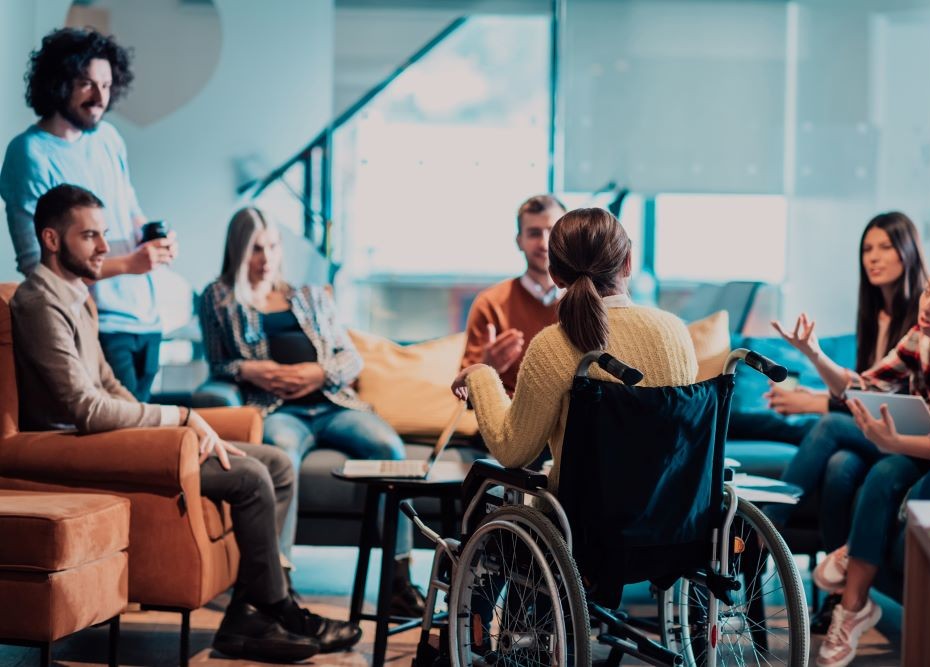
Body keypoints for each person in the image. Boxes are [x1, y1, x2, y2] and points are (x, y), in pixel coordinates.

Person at [11, 184, 361, 662]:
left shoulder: (78, 295)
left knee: (277, 464)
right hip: (69, 445)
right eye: (89, 236)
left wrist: (165, 432)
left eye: (104, 235)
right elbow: (83, 409)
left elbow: (111, 387)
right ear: (51, 240)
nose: (103, 248)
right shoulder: (39, 301)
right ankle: (277, 609)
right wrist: (179, 417)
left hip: (99, 436)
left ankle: (248, 617)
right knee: (252, 475)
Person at [199, 206, 425, 617]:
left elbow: (350, 357)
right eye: (254, 249)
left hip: (332, 403)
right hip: (276, 408)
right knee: (281, 456)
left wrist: (319, 373)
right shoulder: (219, 298)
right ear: (237, 251)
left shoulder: (306, 295)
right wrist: (253, 370)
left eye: (271, 247)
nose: (265, 258)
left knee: (388, 448)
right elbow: (218, 364)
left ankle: (398, 579)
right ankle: (278, 582)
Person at [782, 258, 930, 667]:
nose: (929, 305)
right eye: (929, 292)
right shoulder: (926, 337)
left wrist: (898, 441)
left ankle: (840, 555)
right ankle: (852, 608)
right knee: (878, 465)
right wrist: (814, 354)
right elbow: (865, 385)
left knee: (894, 462)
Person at [451, 207, 698, 492]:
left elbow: (512, 451)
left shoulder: (554, 345)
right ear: (628, 262)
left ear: (555, 276)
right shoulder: (675, 332)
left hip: (584, 518)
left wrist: (481, 373)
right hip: (672, 511)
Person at [0, 27, 177, 401]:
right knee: (130, 445)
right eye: (86, 84)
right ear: (58, 83)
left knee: (145, 442)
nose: (100, 97)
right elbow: (37, 266)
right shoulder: (28, 154)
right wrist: (128, 264)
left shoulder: (110, 139)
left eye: (108, 85)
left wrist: (154, 239)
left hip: (146, 318)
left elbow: (130, 212)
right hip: (96, 324)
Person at [764, 213, 928, 583]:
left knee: (828, 426)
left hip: (904, 435)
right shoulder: (874, 315)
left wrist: (820, 401)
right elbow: (866, 387)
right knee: (839, 467)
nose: (873, 257)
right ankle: (839, 594)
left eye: (885, 247)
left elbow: (893, 400)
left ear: (908, 253)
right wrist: (818, 384)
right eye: (867, 249)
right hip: (873, 429)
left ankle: (766, 532)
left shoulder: (924, 315)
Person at [460, 194, 566, 396]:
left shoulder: (586, 303)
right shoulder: (490, 303)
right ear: (519, 241)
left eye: (552, 231)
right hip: (507, 419)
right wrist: (486, 368)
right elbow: (463, 392)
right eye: (534, 233)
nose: (544, 243)